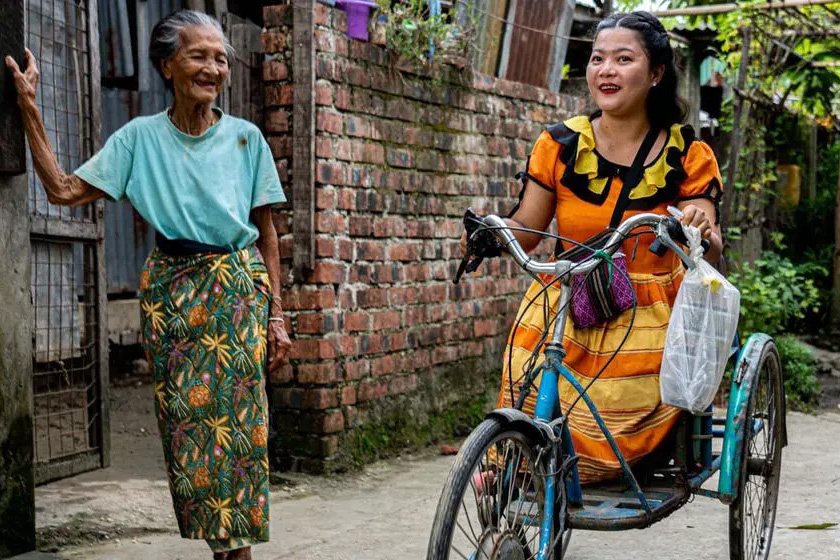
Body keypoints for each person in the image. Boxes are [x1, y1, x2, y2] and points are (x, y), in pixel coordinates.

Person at [6, 9, 291, 559]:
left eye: (220, 59)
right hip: (174, 298)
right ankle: (224, 550)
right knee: (190, 439)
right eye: (198, 56)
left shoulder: (246, 139)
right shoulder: (139, 139)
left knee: (239, 439)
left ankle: (236, 553)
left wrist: (277, 315)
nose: (213, 69)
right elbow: (64, 191)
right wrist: (29, 110)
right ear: (167, 65)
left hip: (236, 290)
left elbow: (267, 234)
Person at [466, 11, 724, 484]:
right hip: (567, 296)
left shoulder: (687, 153)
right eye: (597, 59)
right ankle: (516, 463)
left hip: (646, 311)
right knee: (529, 368)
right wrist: (490, 229)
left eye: (623, 59)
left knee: (617, 405)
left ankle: (570, 472)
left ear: (656, 74)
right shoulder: (560, 145)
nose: (605, 70)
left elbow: (706, 225)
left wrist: (696, 224)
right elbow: (527, 228)